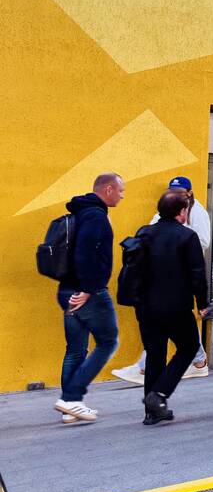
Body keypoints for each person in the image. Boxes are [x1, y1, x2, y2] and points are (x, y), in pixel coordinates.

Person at [112, 176, 211, 385]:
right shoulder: (162, 222)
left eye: (180, 192)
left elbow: (202, 244)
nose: (175, 195)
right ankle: (159, 386)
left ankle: (156, 384)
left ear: (189, 194)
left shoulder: (195, 215)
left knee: (164, 344)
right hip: (163, 290)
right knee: (174, 342)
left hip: (169, 287)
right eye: (172, 191)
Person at [55, 173, 124, 424]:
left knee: (76, 349)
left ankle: (70, 407)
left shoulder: (80, 211)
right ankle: (71, 398)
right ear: (108, 189)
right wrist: (87, 289)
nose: (122, 196)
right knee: (108, 342)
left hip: (67, 289)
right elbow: (85, 252)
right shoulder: (96, 215)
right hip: (88, 292)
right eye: (120, 190)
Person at [137, 191, 208, 425]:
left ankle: (152, 412)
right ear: (182, 212)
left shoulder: (144, 233)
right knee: (189, 347)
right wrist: (202, 304)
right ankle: (159, 394)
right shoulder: (187, 236)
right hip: (177, 307)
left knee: (154, 354)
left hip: (146, 307)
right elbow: (197, 274)